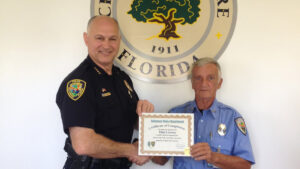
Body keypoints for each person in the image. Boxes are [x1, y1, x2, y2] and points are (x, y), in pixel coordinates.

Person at [56, 15, 153, 169]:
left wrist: (144, 114)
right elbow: (83, 144)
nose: (106, 45)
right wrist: (132, 150)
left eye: (112, 39)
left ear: (119, 40)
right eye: (99, 38)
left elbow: (131, 121)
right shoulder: (79, 83)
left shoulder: (123, 79)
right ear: (86, 39)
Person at [152, 57, 255, 169]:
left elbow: (245, 165)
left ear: (219, 83)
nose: (204, 84)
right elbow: (161, 159)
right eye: (198, 78)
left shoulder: (232, 118)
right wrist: (143, 146)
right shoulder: (175, 115)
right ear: (192, 83)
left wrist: (213, 157)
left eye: (210, 78)